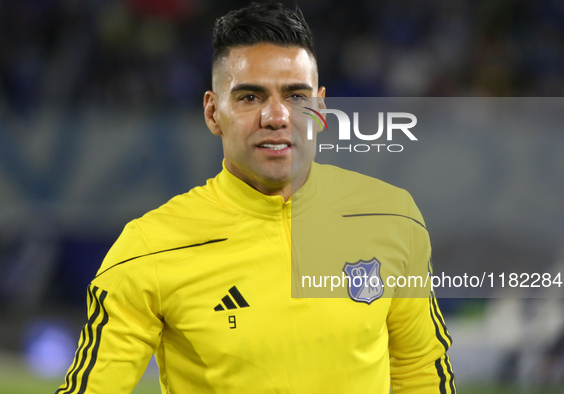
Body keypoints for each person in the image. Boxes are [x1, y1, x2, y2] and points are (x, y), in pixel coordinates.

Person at [56, 3, 455, 393]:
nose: (277, 116)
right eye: (250, 97)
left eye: (296, 96)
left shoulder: (391, 217)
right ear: (213, 112)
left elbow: (422, 371)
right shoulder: (149, 249)